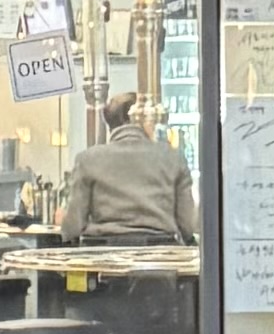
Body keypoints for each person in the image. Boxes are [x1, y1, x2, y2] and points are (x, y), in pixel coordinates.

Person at [57, 95, 196, 248]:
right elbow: (187, 224)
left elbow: (74, 225)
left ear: (109, 123)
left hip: (103, 252)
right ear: (142, 120)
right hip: (160, 250)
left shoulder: (87, 159)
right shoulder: (173, 158)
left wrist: (65, 226)